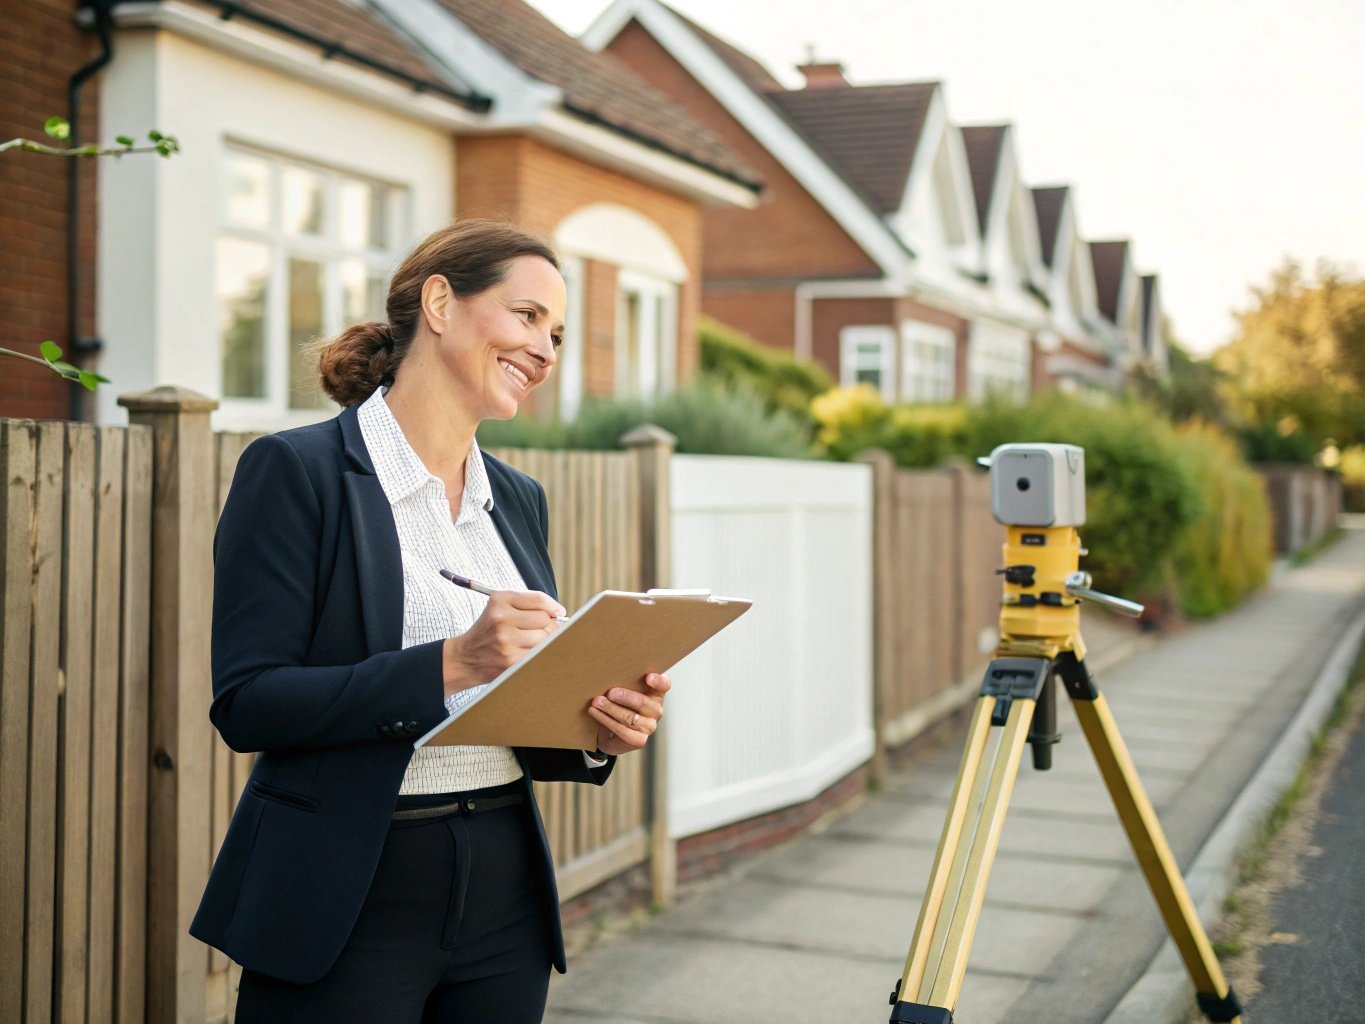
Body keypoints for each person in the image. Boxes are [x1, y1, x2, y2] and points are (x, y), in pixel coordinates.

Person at [191, 220, 670, 1023]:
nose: (545, 351)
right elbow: (249, 704)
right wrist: (453, 661)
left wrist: (597, 730)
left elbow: (511, 717)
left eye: (555, 334)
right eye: (527, 317)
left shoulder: (517, 497)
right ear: (440, 303)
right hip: (346, 888)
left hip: (504, 890)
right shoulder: (297, 471)